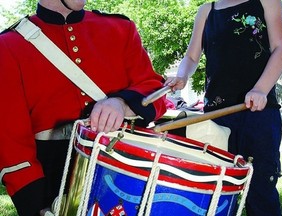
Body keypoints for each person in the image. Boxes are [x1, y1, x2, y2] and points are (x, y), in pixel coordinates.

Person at [0, 0, 167, 215]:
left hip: (126, 176)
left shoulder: (120, 28)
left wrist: (122, 103)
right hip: (53, 183)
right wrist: (36, 206)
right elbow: (11, 144)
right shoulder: (8, 46)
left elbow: (156, 92)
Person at [166, 0, 282, 215]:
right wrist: (182, 76)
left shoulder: (267, 2)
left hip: (258, 113)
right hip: (216, 117)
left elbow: (281, 48)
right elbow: (191, 56)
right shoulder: (206, 11)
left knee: (260, 190)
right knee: (216, 191)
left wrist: (260, 89)